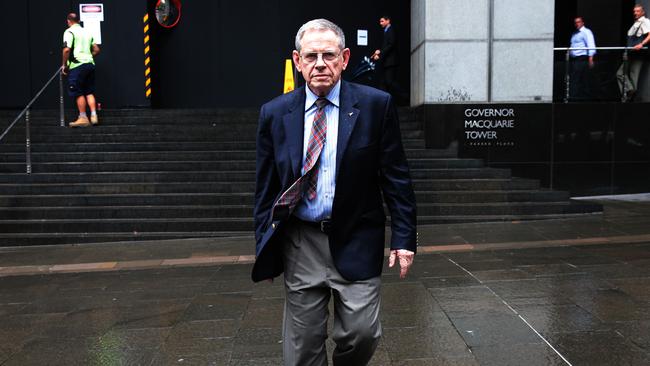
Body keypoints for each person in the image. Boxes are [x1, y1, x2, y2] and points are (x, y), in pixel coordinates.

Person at [253, 18, 417, 366]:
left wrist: (404, 237)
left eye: (329, 55)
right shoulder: (275, 113)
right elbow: (265, 189)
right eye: (311, 56)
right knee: (302, 349)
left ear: (344, 58)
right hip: (301, 240)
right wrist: (263, 248)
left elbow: (396, 178)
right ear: (297, 61)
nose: (320, 64)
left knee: (362, 334)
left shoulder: (376, 105)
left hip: (357, 234)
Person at [61, 13, 100, 127]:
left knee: (77, 91)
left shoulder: (69, 32)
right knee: (89, 92)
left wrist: (64, 65)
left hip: (77, 66)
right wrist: (87, 56)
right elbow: (97, 50)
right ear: (78, 21)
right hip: (89, 64)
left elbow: (66, 50)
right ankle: (94, 116)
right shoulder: (87, 32)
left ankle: (83, 117)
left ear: (69, 21)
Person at [617, 4, 650, 101]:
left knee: (633, 75)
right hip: (630, 53)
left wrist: (642, 44)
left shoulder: (645, 21)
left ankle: (629, 96)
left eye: (638, 11)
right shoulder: (635, 24)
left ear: (643, 12)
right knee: (620, 73)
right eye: (634, 11)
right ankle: (630, 90)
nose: (635, 13)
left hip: (639, 54)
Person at [371, 15, 402, 101]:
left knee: (389, 82)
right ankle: (385, 101)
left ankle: (404, 96)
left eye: (382, 21)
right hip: (387, 62)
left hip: (391, 61)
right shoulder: (386, 31)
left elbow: (391, 44)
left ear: (388, 21)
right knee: (384, 83)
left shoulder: (391, 30)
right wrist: (379, 52)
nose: (380, 23)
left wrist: (380, 53)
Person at [569, 17, 596, 101]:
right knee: (576, 77)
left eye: (579, 22)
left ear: (582, 23)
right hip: (574, 59)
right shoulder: (574, 33)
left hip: (582, 58)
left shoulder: (586, 32)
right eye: (575, 23)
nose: (577, 24)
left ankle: (575, 97)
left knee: (577, 78)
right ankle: (576, 96)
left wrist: (591, 58)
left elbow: (591, 44)